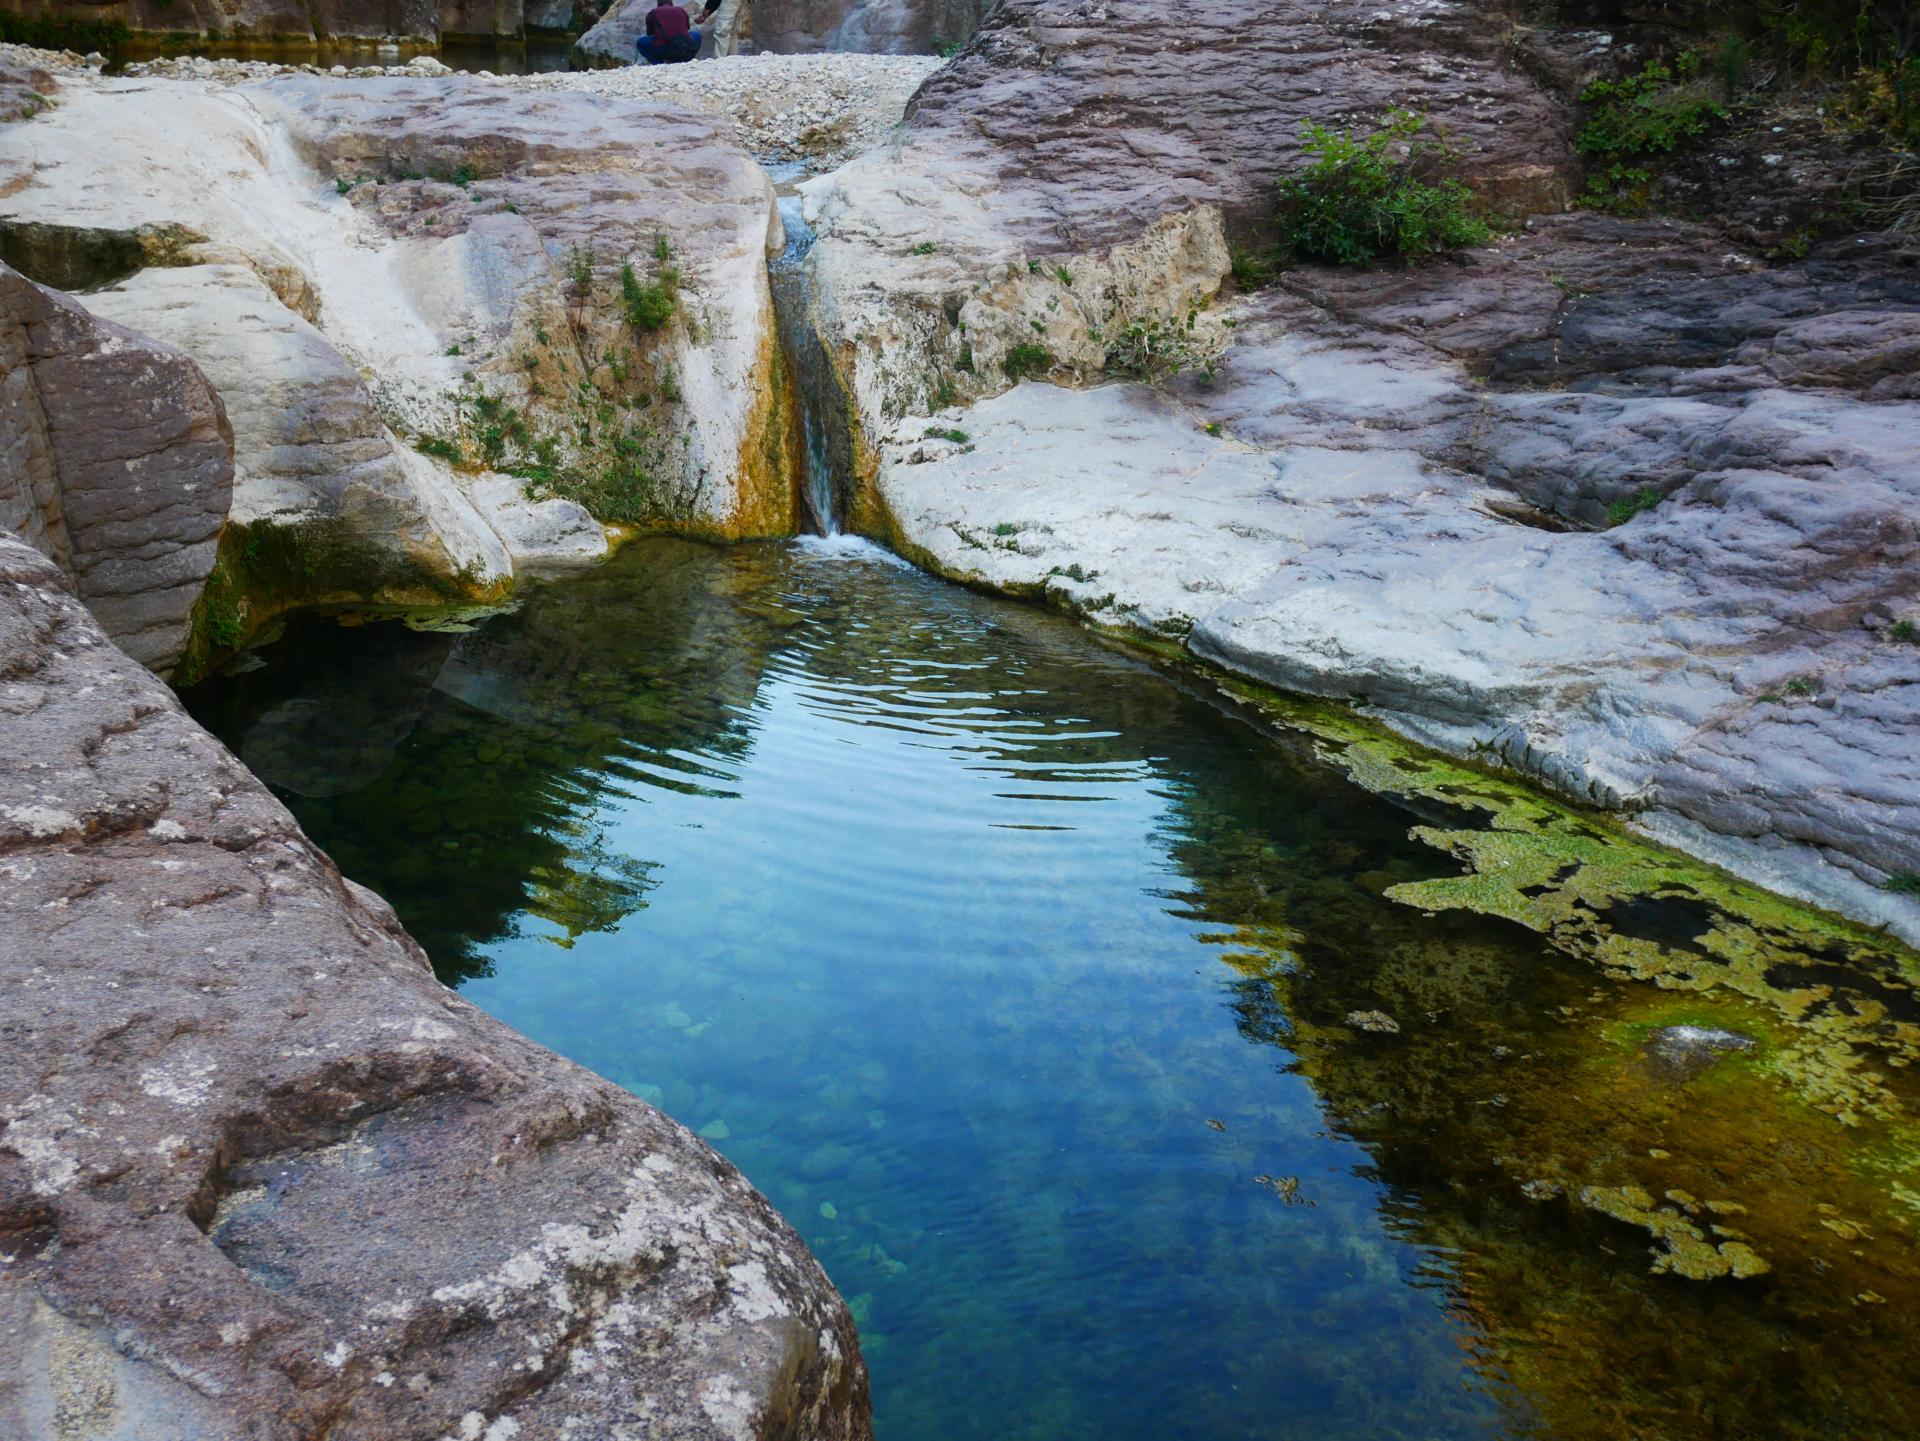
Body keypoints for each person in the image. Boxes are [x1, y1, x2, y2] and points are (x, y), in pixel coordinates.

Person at [636, 0, 720, 64]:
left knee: (641, 42)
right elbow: (687, 29)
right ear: (671, 3)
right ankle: (687, 60)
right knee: (696, 35)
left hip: (666, 49)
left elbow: (650, 34)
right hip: (684, 48)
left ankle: (659, 64)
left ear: (658, 4)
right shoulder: (680, 10)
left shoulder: (653, 13)